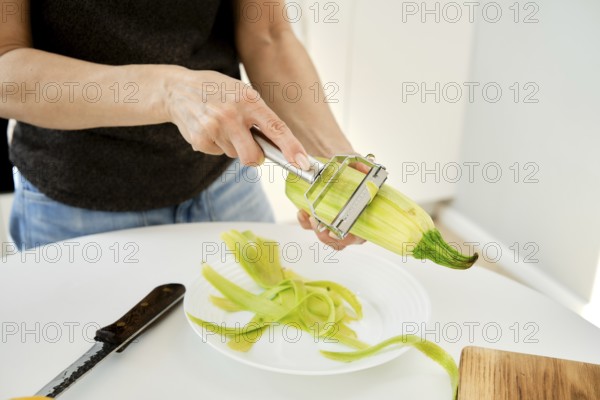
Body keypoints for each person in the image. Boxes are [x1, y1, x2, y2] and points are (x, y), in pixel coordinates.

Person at [0, 0, 364, 251]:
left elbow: (268, 34)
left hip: (224, 184)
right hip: (77, 202)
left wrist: (334, 160)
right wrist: (169, 91)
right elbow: (6, 68)